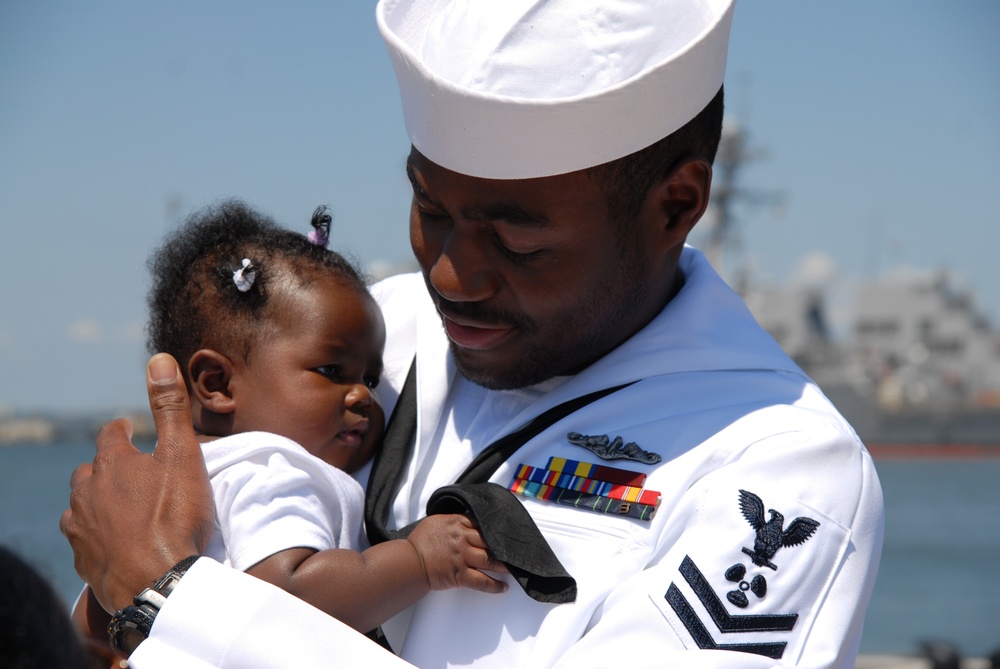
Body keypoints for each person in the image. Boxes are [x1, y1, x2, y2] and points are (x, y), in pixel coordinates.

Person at [61, 1, 885, 667]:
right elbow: (159, 544)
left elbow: (160, 576)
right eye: (431, 211)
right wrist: (110, 598)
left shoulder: (781, 471)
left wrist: (169, 601)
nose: (452, 276)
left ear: (676, 204)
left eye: (519, 241)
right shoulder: (375, 335)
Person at [70, 201, 505, 657]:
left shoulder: (170, 484)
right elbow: (287, 597)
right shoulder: (271, 467)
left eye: (370, 380)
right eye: (332, 370)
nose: (363, 396)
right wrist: (419, 560)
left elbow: (97, 619)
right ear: (216, 383)